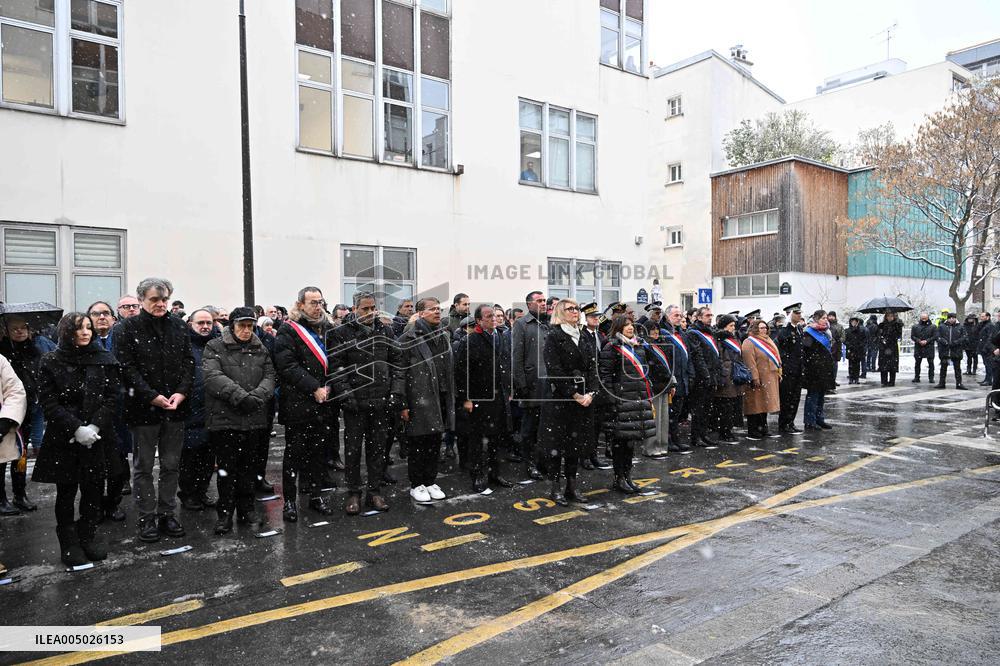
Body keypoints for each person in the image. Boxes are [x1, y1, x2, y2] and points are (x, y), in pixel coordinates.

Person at [32, 313, 120, 565]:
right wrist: (76, 428)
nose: (85, 332)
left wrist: (94, 426)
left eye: (88, 327)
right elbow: (49, 402)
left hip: (97, 435)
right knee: (67, 491)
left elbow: (113, 397)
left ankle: (87, 535)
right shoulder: (51, 360)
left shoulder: (104, 359)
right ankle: (68, 542)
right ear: (66, 331)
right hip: (64, 438)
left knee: (93, 488)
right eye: (79, 328)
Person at [113, 278, 195, 543]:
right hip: (143, 409)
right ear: (141, 300)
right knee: (144, 466)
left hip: (175, 407)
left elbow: (189, 362)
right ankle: (146, 516)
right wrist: (152, 396)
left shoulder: (178, 326)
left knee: (171, 465)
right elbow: (126, 368)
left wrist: (181, 392)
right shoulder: (126, 329)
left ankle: (167, 513)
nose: (160, 304)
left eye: (164, 300)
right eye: (154, 300)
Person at [202, 307, 276, 534]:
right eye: (242, 326)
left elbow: (270, 377)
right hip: (226, 419)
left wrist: (256, 397)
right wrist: (241, 397)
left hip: (253, 418)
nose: (246, 330)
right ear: (232, 326)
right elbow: (213, 377)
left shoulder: (260, 348)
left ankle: (247, 509)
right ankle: (225, 513)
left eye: (250, 326)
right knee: (227, 469)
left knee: (248, 468)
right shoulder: (214, 347)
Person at [328, 291, 398, 514]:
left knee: (377, 449)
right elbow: (336, 368)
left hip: (380, 401)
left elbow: (395, 362)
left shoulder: (385, 330)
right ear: (354, 309)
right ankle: (354, 492)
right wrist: (346, 395)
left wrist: (393, 392)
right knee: (353, 450)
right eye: (365, 308)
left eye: (372, 308)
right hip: (355, 403)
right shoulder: (341, 333)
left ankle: (374, 491)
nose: (370, 312)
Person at [273, 286, 338, 522]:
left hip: (323, 402)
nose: (318, 306)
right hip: (298, 403)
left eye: (321, 302)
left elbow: (334, 361)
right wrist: (314, 387)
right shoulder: (288, 329)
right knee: (294, 454)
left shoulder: (328, 328)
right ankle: (290, 501)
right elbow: (287, 366)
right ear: (300, 304)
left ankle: (316, 496)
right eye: (313, 302)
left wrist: (329, 386)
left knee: (318, 453)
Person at [537, 299, 598, 504]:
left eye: (576, 308)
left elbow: (593, 368)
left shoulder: (584, 335)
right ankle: (555, 488)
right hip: (561, 399)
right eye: (570, 309)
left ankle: (572, 486)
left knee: (576, 445)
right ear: (560, 313)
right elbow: (554, 369)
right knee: (557, 446)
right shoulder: (554, 336)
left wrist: (591, 393)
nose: (575, 312)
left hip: (583, 399)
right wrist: (575, 394)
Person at [393, 297, 454, 503]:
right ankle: (416, 483)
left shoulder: (443, 336)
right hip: (418, 398)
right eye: (432, 309)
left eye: (438, 309)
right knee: (418, 442)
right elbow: (399, 373)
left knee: (434, 442)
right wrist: (402, 403)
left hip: (440, 396)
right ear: (420, 314)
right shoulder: (407, 339)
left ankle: (429, 481)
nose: (437, 312)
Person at [455, 304, 513, 492]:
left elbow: (505, 364)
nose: (494, 319)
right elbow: (462, 372)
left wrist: (508, 389)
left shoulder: (501, 336)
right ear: (479, 320)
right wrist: (466, 398)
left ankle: (495, 473)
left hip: (499, 396)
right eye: (488, 316)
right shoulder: (470, 341)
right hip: (480, 397)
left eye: (495, 315)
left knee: (496, 438)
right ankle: (478, 475)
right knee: (478, 440)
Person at [599, 315, 655, 494]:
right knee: (620, 443)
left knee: (631, 442)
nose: (630, 328)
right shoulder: (611, 347)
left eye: (631, 325)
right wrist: (612, 399)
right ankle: (619, 478)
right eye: (626, 325)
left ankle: (628, 475)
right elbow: (605, 376)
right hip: (621, 400)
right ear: (618, 328)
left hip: (637, 400)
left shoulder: (638, 347)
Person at [86, 301, 129, 522]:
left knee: (117, 462)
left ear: (113, 318)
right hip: (90, 412)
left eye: (106, 313)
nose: (101, 317)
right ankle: (93, 506)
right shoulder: (83, 342)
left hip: (119, 410)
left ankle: (113, 502)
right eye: (96, 314)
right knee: (92, 464)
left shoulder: (123, 340)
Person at [177, 309, 219, 511]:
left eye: (208, 323)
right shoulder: (184, 347)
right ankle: (188, 494)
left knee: (208, 457)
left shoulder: (216, 346)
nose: (205, 327)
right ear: (190, 324)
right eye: (200, 323)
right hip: (190, 411)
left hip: (213, 411)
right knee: (190, 457)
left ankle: (202, 492)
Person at [0, 316, 41, 515]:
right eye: (14, 328)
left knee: (21, 455)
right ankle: (1, 497)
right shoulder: (3, 353)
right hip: (6, 412)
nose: (20, 331)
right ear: (5, 331)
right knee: (2, 456)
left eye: (23, 327)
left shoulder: (34, 351)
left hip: (28, 410)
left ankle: (20, 493)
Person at [512, 290, 550, 479]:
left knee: (546, 428)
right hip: (532, 385)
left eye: (544, 300)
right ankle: (530, 463)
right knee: (530, 429)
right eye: (539, 300)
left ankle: (544, 462)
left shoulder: (549, 323)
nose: (543, 303)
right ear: (529, 304)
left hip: (550, 385)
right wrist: (521, 385)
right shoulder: (522, 324)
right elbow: (517, 357)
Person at [686, 306, 721, 449]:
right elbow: (697, 356)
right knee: (698, 408)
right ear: (699, 317)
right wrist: (706, 374)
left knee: (707, 408)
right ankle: (696, 437)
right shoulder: (693, 333)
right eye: (707, 315)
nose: (710, 318)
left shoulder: (709, 332)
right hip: (701, 376)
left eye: (711, 315)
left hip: (712, 374)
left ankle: (704, 434)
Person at [742, 319, 782, 439]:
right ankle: (753, 430)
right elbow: (750, 362)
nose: (764, 330)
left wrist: (779, 371)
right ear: (755, 329)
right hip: (758, 378)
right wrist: (755, 377)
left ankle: (763, 428)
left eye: (765, 328)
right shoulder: (749, 342)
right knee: (755, 405)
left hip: (769, 377)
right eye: (761, 328)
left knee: (765, 404)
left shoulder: (768, 340)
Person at [662, 305, 693, 454]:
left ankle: (675, 439)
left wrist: (691, 374)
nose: (679, 318)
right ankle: (668, 440)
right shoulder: (664, 333)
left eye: (681, 315)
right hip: (672, 379)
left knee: (677, 413)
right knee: (669, 414)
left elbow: (688, 356)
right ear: (667, 316)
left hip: (683, 378)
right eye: (676, 315)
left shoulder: (682, 334)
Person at [640, 322, 673, 458]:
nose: (656, 332)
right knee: (654, 419)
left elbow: (668, 366)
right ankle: (651, 448)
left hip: (664, 385)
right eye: (652, 329)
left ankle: (662, 445)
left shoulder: (660, 345)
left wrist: (671, 383)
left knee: (664, 419)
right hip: (653, 386)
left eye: (657, 329)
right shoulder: (644, 346)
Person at [713, 315, 746, 443]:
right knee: (725, 406)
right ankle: (724, 432)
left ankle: (729, 430)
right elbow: (719, 358)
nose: (733, 328)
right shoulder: (720, 339)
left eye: (734, 325)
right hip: (726, 376)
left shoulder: (735, 338)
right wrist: (724, 372)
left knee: (732, 405)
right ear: (724, 326)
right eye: (730, 325)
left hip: (735, 375)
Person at [801, 310, 835, 431]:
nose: (826, 320)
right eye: (823, 318)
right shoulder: (809, 332)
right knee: (813, 396)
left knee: (821, 396)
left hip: (824, 369)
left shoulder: (825, 332)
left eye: (826, 318)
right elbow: (805, 351)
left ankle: (819, 419)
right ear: (816, 319)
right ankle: (810, 421)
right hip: (813, 370)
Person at [775, 303, 804, 433]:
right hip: (788, 369)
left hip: (798, 368)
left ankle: (790, 422)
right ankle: (783, 424)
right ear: (790, 314)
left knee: (795, 397)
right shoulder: (784, 331)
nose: (799, 315)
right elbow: (781, 349)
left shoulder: (799, 329)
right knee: (786, 398)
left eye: (800, 313)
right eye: (796, 313)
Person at [935, 312, 968, 390]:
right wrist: (944, 342)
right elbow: (938, 336)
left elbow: (964, 337)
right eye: (950, 318)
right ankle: (941, 383)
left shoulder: (960, 327)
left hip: (956, 350)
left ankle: (959, 383)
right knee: (943, 367)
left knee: (957, 368)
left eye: (953, 318)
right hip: (944, 350)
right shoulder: (942, 326)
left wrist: (956, 342)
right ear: (947, 319)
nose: (952, 319)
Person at [910, 312, 937, 383]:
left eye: (925, 318)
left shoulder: (933, 327)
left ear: (928, 318)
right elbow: (912, 336)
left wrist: (927, 341)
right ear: (920, 318)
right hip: (919, 347)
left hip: (929, 347)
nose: (924, 320)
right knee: (917, 363)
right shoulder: (915, 327)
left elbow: (935, 336)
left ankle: (931, 378)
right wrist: (919, 341)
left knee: (931, 363)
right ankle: (916, 377)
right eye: (922, 318)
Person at [877, 312, 903, 386]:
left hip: (892, 347)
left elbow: (898, 335)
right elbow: (878, 335)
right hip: (883, 347)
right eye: (888, 316)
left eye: (891, 316)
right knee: (883, 365)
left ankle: (892, 381)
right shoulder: (881, 325)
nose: (890, 318)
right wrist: (882, 339)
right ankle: (884, 381)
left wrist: (897, 327)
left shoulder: (897, 325)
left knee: (892, 365)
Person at [844, 316, 867, 384]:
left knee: (857, 365)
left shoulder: (861, 330)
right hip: (850, 350)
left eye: (855, 322)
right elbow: (844, 340)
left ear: (857, 322)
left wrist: (860, 345)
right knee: (850, 364)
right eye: (852, 322)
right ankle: (851, 378)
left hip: (858, 350)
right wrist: (849, 345)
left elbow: (864, 339)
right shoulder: (847, 331)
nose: (854, 323)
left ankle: (856, 378)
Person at [979, 312, 998, 386]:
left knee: (988, 364)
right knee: (986, 364)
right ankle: (987, 379)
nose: (981, 318)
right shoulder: (984, 325)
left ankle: (989, 380)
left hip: (988, 349)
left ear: (988, 317)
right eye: (981, 316)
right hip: (984, 348)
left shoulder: (990, 325)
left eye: (983, 316)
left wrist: (986, 347)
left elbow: (989, 338)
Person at [827, 311, 844, 390]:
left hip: (836, 348)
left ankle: (833, 379)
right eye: (829, 316)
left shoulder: (839, 326)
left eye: (832, 316)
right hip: (828, 348)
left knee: (834, 365)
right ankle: (829, 381)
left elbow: (843, 337)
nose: (831, 317)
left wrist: (838, 341)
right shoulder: (826, 325)